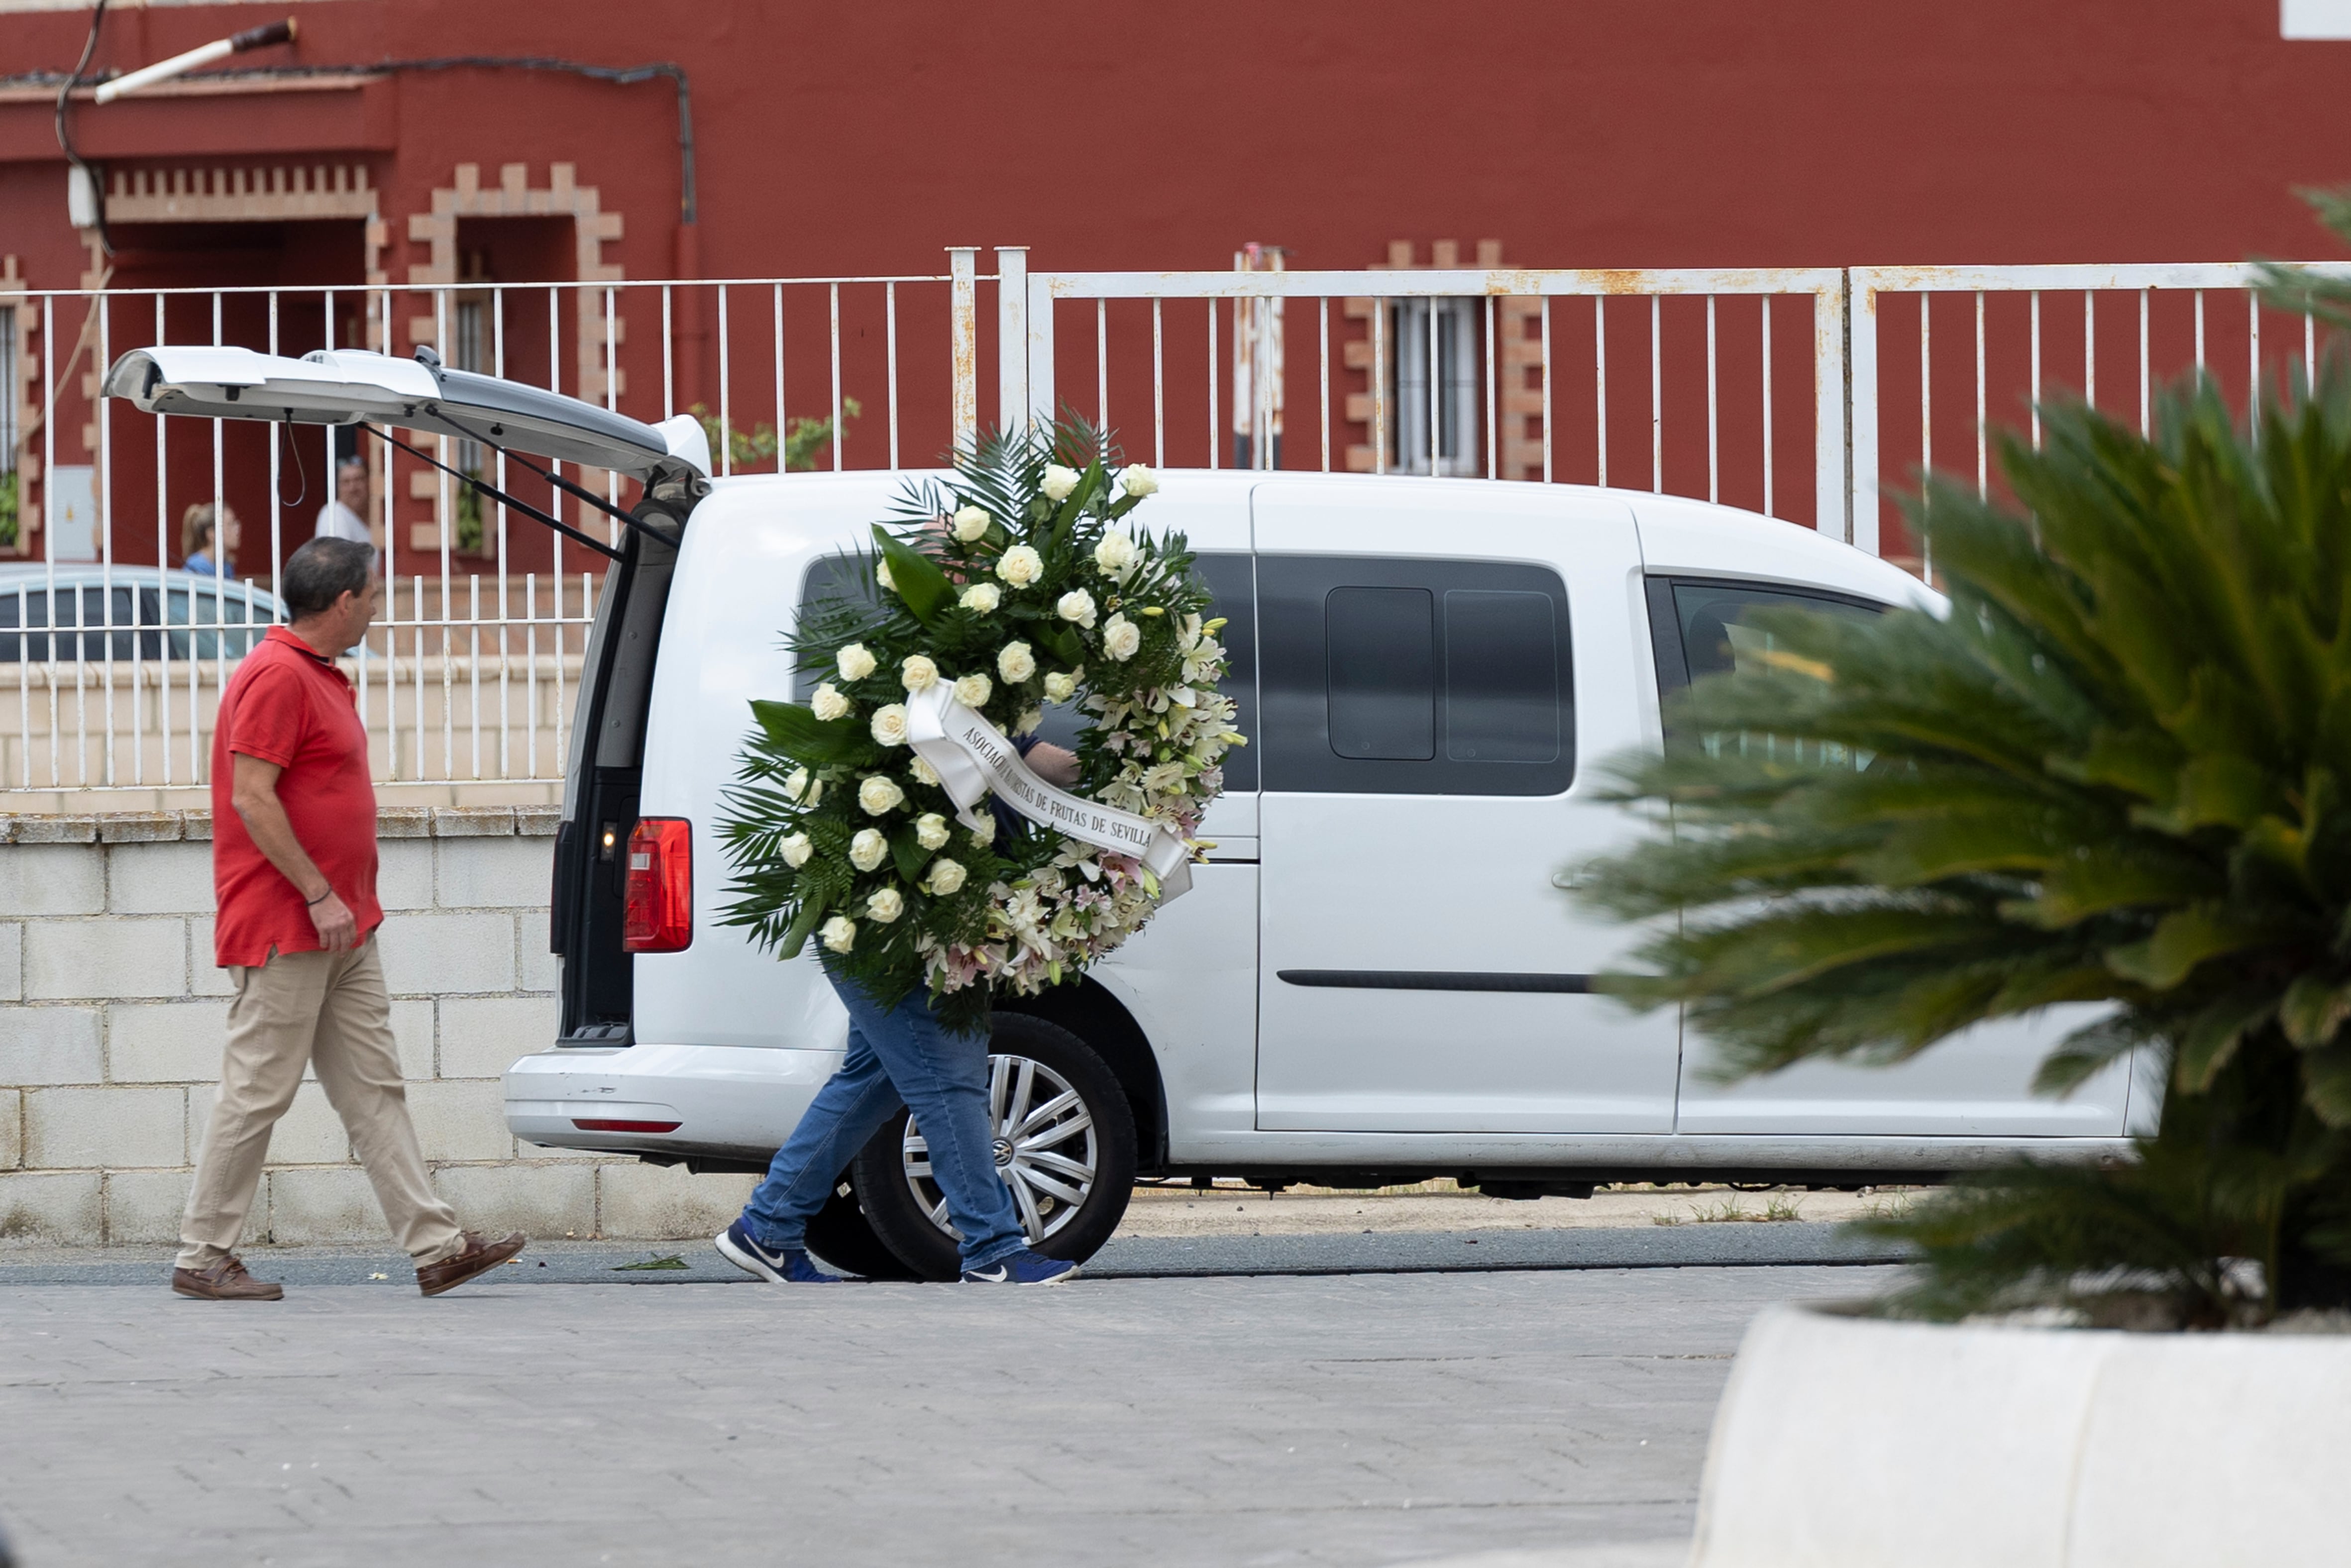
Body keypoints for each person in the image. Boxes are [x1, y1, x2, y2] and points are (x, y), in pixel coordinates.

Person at [173, 536, 525, 1301]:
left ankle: (438, 1247)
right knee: (257, 1089)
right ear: (342, 602)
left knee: (374, 1088)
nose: (376, 607)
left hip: (343, 927)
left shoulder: (316, 674)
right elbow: (252, 796)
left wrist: (342, 905)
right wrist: (317, 892)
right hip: (292, 922)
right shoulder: (276, 675)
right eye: (371, 595)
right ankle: (203, 1254)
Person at [716, 738, 1089, 1287]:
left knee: (872, 1080)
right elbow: (1036, 764)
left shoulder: (973, 714)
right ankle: (992, 1248)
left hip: (898, 925)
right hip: (893, 929)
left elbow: (1042, 764)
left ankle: (767, 1226)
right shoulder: (941, 714)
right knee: (949, 1079)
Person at [314, 456, 373, 547]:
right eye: (346, 482)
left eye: (358, 480)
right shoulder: (334, 514)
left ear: (369, 482)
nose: (352, 488)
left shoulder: (378, 515)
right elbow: (339, 558)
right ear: (338, 487)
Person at [181, 502, 239, 578]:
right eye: (230, 524)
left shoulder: (226, 565)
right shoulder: (196, 567)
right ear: (212, 534)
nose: (237, 528)